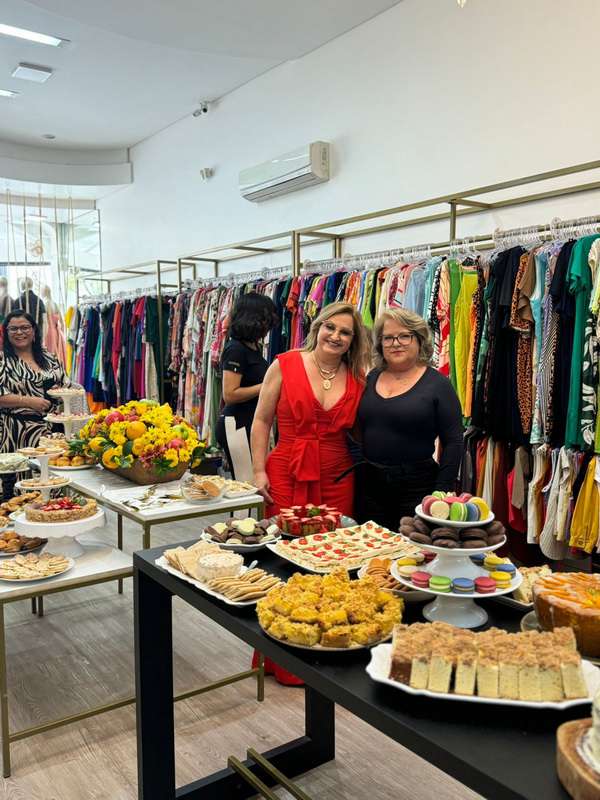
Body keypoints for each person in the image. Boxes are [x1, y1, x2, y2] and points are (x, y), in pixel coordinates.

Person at [251, 301, 369, 518]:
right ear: (318, 327)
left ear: (353, 340)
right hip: (286, 472)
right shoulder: (284, 364)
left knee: (336, 537)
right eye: (330, 327)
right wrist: (258, 471)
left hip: (337, 478)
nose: (335, 336)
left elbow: (362, 431)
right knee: (282, 534)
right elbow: (261, 420)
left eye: (345, 332)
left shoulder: (358, 378)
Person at [354, 308, 463, 531]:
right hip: (369, 486)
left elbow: (453, 441)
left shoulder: (438, 384)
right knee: (370, 545)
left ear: (419, 340)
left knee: (411, 548)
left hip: (417, 487)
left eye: (404, 336)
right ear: (380, 344)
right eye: (388, 338)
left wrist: (441, 492)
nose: (396, 343)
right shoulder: (371, 377)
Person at [215, 293, 278, 478]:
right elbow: (230, 394)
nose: (268, 325)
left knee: (254, 480)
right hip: (236, 425)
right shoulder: (235, 349)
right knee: (246, 481)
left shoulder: (253, 346)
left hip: (249, 422)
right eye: (265, 319)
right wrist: (268, 386)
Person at [0, 310, 71, 461]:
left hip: (53, 435)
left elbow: (67, 386)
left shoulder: (49, 358)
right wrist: (28, 401)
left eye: (25, 327)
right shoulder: (3, 361)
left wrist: (59, 391)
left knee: (51, 472)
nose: (20, 332)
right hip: (17, 432)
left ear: (33, 330)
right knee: (22, 473)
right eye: (13, 328)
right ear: (6, 332)